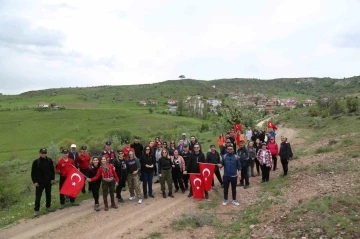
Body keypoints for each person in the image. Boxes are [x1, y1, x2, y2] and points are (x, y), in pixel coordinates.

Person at [31, 148, 56, 217]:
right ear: (40, 153)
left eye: (45, 153)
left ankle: (48, 207)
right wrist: (34, 182)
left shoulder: (49, 160)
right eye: (42, 153)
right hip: (39, 183)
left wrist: (52, 179)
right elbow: (33, 173)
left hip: (48, 181)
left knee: (48, 195)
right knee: (38, 197)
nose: (44, 154)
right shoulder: (36, 162)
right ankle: (36, 210)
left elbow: (52, 171)